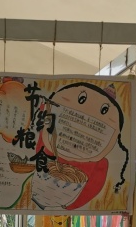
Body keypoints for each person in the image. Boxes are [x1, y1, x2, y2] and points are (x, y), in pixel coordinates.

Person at [31, 81, 130, 211]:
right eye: (82, 99)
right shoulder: (47, 136)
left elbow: (93, 186)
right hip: (48, 189)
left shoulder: (99, 163)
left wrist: (71, 205)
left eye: (104, 110)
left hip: (62, 194)